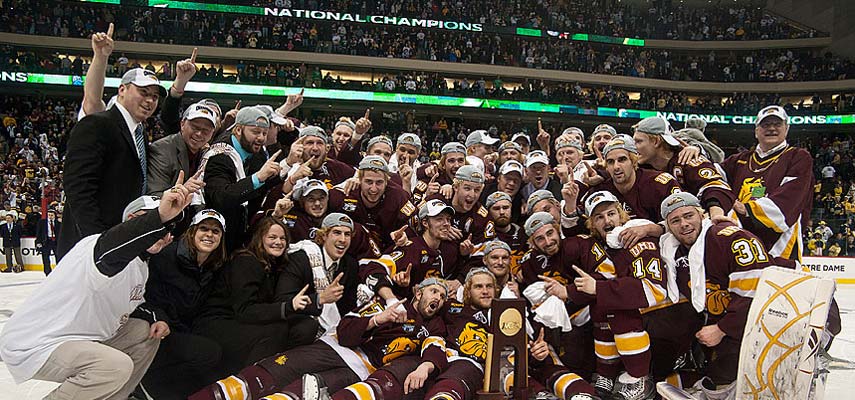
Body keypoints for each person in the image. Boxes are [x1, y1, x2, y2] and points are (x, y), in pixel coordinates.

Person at [0, 181, 194, 400]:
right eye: (158, 225)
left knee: (145, 331)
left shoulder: (141, 267)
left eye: (168, 229)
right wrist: (158, 217)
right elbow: (115, 245)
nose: (165, 234)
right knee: (114, 366)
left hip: (82, 338)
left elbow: (134, 305)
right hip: (36, 342)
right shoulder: (98, 248)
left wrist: (158, 317)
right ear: (131, 221)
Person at [189, 278, 448, 400]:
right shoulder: (388, 303)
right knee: (261, 377)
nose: (438, 298)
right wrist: (377, 320)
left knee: (302, 394)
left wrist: (427, 365)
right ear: (419, 292)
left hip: (360, 371)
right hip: (332, 349)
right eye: (434, 290)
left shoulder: (434, 324)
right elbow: (346, 332)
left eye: (443, 297)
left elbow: (436, 348)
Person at [659, 192, 770, 386]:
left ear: (702, 215)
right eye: (675, 220)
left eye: (688, 215)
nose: (683, 224)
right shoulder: (674, 251)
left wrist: (722, 329)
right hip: (734, 322)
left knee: (729, 377)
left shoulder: (728, 238)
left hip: (779, 315)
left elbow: (759, 292)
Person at [58, 68, 168, 258]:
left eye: (155, 96)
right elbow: (78, 188)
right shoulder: (97, 124)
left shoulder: (139, 133)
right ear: (122, 90)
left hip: (118, 244)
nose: (150, 100)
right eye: (143, 92)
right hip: (90, 248)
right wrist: (98, 242)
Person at [193, 217, 306, 373]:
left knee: (299, 326)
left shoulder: (272, 264)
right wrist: (287, 307)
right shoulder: (246, 262)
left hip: (235, 319)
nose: (279, 242)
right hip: (215, 322)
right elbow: (245, 310)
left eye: (283, 238)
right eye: (272, 237)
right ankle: (248, 381)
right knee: (275, 330)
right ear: (259, 238)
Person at [136, 209, 228, 399]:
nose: (209, 234)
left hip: (182, 328)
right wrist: (160, 318)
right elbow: (145, 296)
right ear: (192, 231)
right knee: (209, 352)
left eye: (216, 231)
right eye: (204, 228)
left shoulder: (213, 265)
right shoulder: (166, 256)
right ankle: (148, 385)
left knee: (217, 366)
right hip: (155, 329)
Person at [720, 105, 814, 263]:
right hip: (742, 242)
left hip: (780, 247)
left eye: (777, 124)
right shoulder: (739, 160)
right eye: (765, 125)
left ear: (787, 128)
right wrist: (697, 151)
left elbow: (790, 199)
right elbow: (712, 177)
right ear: (756, 130)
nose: (771, 128)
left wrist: (746, 208)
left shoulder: (798, 157)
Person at [202, 107, 282, 251]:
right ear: (238, 130)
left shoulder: (255, 152)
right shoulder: (220, 155)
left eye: (264, 133)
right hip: (213, 235)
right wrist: (258, 177)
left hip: (238, 232)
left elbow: (259, 189)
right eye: (256, 132)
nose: (261, 138)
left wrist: (287, 165)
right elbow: (221, 197)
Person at [632, 116, 735, 219]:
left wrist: (716, 215)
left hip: (699, 224)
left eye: (639, 141)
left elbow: (714, 186)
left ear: (656, 141)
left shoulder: (688, 160)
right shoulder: (638, 168)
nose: (634, 147)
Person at [277, 213, 360, 338]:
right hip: (298, 323)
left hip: (332, 331)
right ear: (324, 235)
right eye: (337, 233)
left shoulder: (350, 265)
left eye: (347, 234)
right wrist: (319, 299)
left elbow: (348, 305)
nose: (343, 239)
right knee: (306, 328)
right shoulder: (301, 259)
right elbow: (282, 300)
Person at [147, 102, 218, 196]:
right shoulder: (162, 149)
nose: (199, 134)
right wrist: (183, 190)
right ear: (182, 124)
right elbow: (154, 195)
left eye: (206, 131)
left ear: (212, 133)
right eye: (195, 127)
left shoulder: (208, 153)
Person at [35, 208, 61, 275]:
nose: (50, 216)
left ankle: (59, 272)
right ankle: (47, 272)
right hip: (46, 241)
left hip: (55, 242)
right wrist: (38, 242)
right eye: (49, 215)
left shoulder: (58, 223)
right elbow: (38, 233)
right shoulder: (42, 222)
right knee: (45, 258)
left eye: (52, 215)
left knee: (58, 257)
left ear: (54, 215)